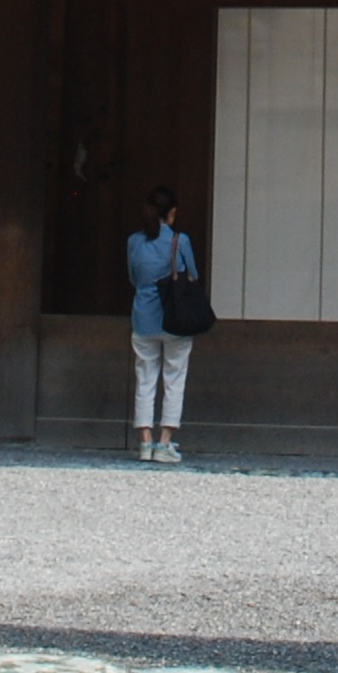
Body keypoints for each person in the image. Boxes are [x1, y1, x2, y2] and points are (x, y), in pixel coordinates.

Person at [125, 186, 197, 464]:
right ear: (172, 214)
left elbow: (133, 277)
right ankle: (165, 443)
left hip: (143, 317)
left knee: (145, 377)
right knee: (174, 377)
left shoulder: (134, 242)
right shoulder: (181, 241)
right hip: (175, 318)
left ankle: (145, 441)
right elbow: (192, 274)